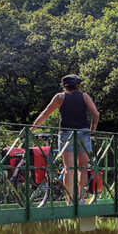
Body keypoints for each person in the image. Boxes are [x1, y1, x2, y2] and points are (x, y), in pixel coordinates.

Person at [31, 74, 99, 204]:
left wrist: (32, 129)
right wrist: (92, 131)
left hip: (66, 134)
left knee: (69, 168)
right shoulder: (85, 96)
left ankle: (70, 201)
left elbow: (45, 113)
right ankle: (81, 199)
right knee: (83, 168)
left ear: (64, 85)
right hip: (84, 134)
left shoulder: (60, 97)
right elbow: (96, 114)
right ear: (78, 84)